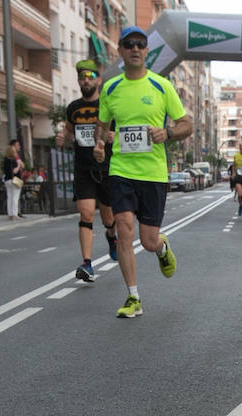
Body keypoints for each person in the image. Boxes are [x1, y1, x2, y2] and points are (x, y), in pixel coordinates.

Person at [96, 24, 192, 319]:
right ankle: (133, 297)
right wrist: (100, 145)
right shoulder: (111, 88)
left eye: (140, 44)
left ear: (147, 51)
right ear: (120, 51)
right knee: (123, 229)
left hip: (153, 173)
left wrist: (168, 133)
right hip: (121, 170)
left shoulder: (161, 86)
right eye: (129, 44)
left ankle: (162, 248)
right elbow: (102, 127)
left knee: (148, 240)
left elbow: (186, 123)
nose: (135, 49)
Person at [55, 57, 118, 285]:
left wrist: (114, 136)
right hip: (83, 167)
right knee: (86, 213)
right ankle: (87, 263)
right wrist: (64, 137)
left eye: (89, 76)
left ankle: (112, 237)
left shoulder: (108, 105)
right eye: (82, 77)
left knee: (109, 216)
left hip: (107, 167)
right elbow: (70, 132)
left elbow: (121, 133)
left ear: (98, 80)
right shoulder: (73, 108)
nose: (85, 80)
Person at [2, 145, 23, 218]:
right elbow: (15, 171)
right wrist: (19, 166)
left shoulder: (5, 160)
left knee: (9, 197)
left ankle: (10, 214)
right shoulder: (13, 160)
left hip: (7, 180)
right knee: (15, 197)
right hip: (14, 180)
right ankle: (15, 214)